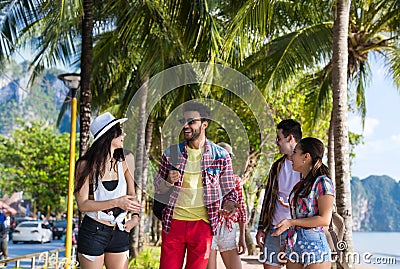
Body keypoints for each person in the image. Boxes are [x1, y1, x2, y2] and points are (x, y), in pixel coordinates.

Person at [154, 102, 238, 269]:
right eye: (183, 121)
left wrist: (229, 205)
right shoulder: (171, 154)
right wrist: (168, 181)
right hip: (174, 222)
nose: (186, 126)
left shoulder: (220, 156)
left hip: (203, 224)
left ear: (204, 124)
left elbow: (230, 192)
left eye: (191, 121)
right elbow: (157, 188)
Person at [74, 112, 142, 269]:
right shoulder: (85, 165)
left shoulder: (127, 159)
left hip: (119, 230)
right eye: (119, 130)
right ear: (109, 135)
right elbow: (83, 205)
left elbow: (131, 194)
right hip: (93, 232)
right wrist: (117, 202)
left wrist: (135, 218)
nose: (123, 134)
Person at [272, 137, 334, 268]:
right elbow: (304, 214)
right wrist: (287, 245)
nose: (291, 157)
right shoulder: (300, 185)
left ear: (306, 157)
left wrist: (291, 222)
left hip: (315, 248)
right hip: (294, 246)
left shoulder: (323, 182)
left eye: (295, 153)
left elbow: (324, 219)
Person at [256, 119, 302, 268]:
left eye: (279, 138)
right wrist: (261, 228)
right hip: (273, 230)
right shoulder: (277, 166)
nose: (277, 142)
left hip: (296, 232)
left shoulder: (309, 167)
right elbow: (268, 198)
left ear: (290, 138)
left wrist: (293, 206)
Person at [207, 142, 247, 269]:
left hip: (228, 229)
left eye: (229, 155)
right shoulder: (207, 179)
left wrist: (242, 237)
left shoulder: (236, 181)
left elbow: (242, 211)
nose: (226, 158)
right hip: (210, 228)